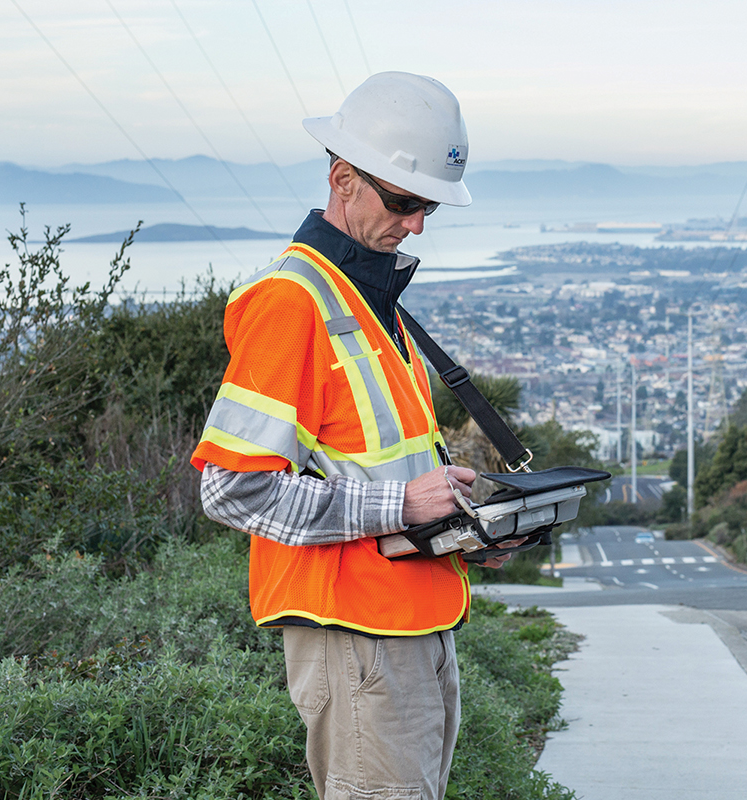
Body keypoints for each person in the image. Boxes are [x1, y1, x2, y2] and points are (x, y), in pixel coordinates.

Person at [190, 72, 506, 800]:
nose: (418, 223)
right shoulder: (291, 303)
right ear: (343, 179)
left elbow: (378, 467)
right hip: (355, 636)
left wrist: (467, 524)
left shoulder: (372, 304)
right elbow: (232, 491)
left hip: (412, 626)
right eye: (404, 201)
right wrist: (400, 507)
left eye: (426, 204)